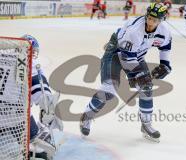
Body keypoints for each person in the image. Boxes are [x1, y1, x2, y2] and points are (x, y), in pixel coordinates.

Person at [80, 3, 172, 142]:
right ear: (147, 15)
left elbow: (165, 47)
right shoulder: (134, 30)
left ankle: (146, 125)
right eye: (150, 18)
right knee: (109, 91)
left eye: (156, 20)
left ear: (161, 20)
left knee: (146, 88)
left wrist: (165, 65)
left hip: (136, 55)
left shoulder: (164, 31)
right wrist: (139, 75)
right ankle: (87, 115)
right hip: (116, 53)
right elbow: (126, 57)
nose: (151, 22)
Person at [22, 35, 63, 160]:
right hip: (15, 120)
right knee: (42, 137)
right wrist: (50, 110)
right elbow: (44, 98)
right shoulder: (30, 64)